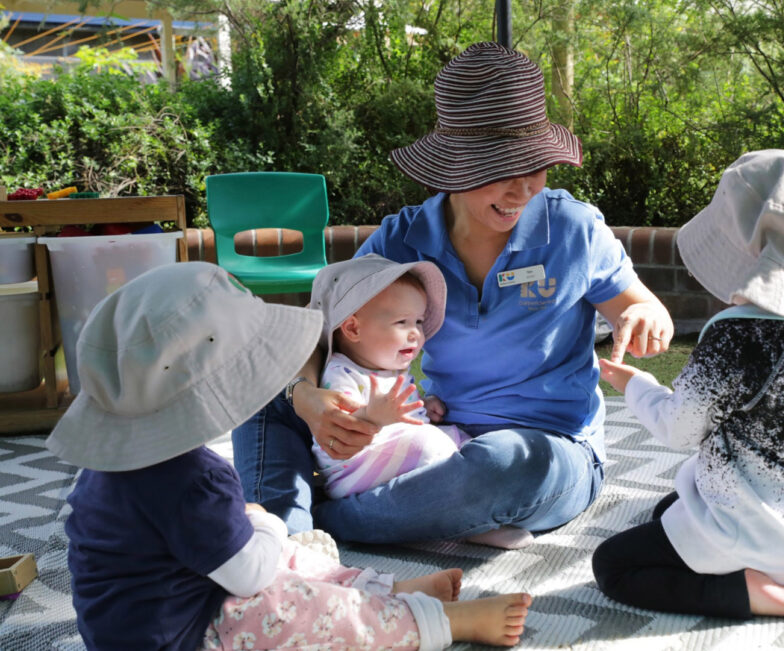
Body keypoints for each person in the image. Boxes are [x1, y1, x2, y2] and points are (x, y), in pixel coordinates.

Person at [231, 41, 675, 548]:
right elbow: (313, 329)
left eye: (535, 165)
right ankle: (287, 538)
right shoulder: (402, 239)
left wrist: (644, 317)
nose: (522, 188)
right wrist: (305, 396)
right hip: (433, 435)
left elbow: (639, 304)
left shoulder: (573, 229)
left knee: (509, 465)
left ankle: (312, 528)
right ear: (453, 165)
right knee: (265, 382)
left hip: (551, 449)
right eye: (500, 169)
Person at [46, 262, 532, 651]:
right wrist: (266, 525)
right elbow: (249, 576)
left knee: (289, 550)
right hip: (186, 634)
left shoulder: (106, 470)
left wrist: (257, 527)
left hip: (130, 628)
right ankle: (431, 623)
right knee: (291, 604)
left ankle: (384, 588)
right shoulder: (195, 480)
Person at [591, 149, 784, 620]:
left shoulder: (736, 336)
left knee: (613, 565)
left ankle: (755, 590)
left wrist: (636, 384)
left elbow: (679, 430)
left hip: (748, 531)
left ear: (749, 250)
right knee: (668, 510)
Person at [309, 254, 468, 500]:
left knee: (461, 440)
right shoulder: (341, 373)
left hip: (395, 461)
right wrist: (371, 417)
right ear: (353, 328)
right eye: (402, 322)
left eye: (419, 321)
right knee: (429, 444)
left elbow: (401, 418)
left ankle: (478, 502)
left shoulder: (392, 369)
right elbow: (339, 427)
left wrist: (421, 406)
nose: (416, 333)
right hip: (354, 471)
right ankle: (470, 518)